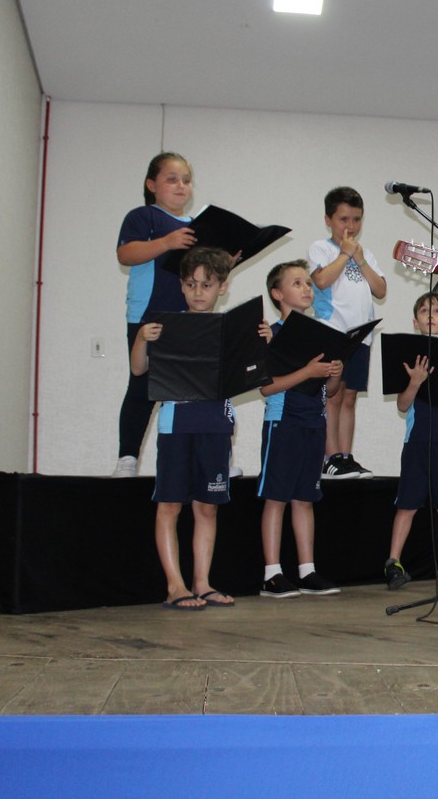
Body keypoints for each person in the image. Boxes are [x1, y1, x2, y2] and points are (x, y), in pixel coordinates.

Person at [130, 247, 249, 610]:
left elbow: (253, 373)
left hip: (216, 426)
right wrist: (141, 338)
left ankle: (202, 583)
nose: (199, 291)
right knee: (170, 505)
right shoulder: (166, 326)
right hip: (176, 425)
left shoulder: (230, 329)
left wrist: (262, 342)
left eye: (207, 285)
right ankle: (175, 585)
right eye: (191, 284)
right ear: (182, 286)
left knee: (207, 508)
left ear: (222, 288)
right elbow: (138, 369)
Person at [257, 260, 345, 598]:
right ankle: (272, 573)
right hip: (283, 422)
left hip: (314, 423)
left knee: (305, 498)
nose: (307, 288)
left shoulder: (320, 334)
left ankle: (307, 571)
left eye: (308, 283)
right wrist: (307, 372)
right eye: (297, 283)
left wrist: (334, 373)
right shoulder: (270, 334)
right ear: (277, 294)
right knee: (277, 497)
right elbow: (266, 387)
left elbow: (331, 391)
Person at [112, 153, 198, 476]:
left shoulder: (196, 225)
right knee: (143, 386)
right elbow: (126, 253)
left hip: (187, 318)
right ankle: (127, 459)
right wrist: (166, 242)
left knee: (191, 390)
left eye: (186, 180)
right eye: (172, 179)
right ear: (151, 184)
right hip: (149, 314)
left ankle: (201, 461)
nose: (181, 186)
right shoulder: (143, 216)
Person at [384, 293, 438, 591]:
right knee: (407, 505)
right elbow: (402, 405)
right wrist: (415, 381)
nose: (430, 315)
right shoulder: (411, 360)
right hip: (417, 445)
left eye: (437, 311)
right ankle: (393, 563)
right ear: (415, 322)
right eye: (424, 310)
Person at [308, 186, 387, 479]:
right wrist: (345, 254)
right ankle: (329, 457)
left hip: (361, 336)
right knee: (333, 395)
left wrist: (360, 259)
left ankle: (345, 455)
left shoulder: (367, 254)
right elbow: (322, 280)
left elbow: (380, 290)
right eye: (343, 219)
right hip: (332, 332)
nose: (350, 226)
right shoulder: (321, 249)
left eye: (356, 219)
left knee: (350, 396)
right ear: (328, 220)